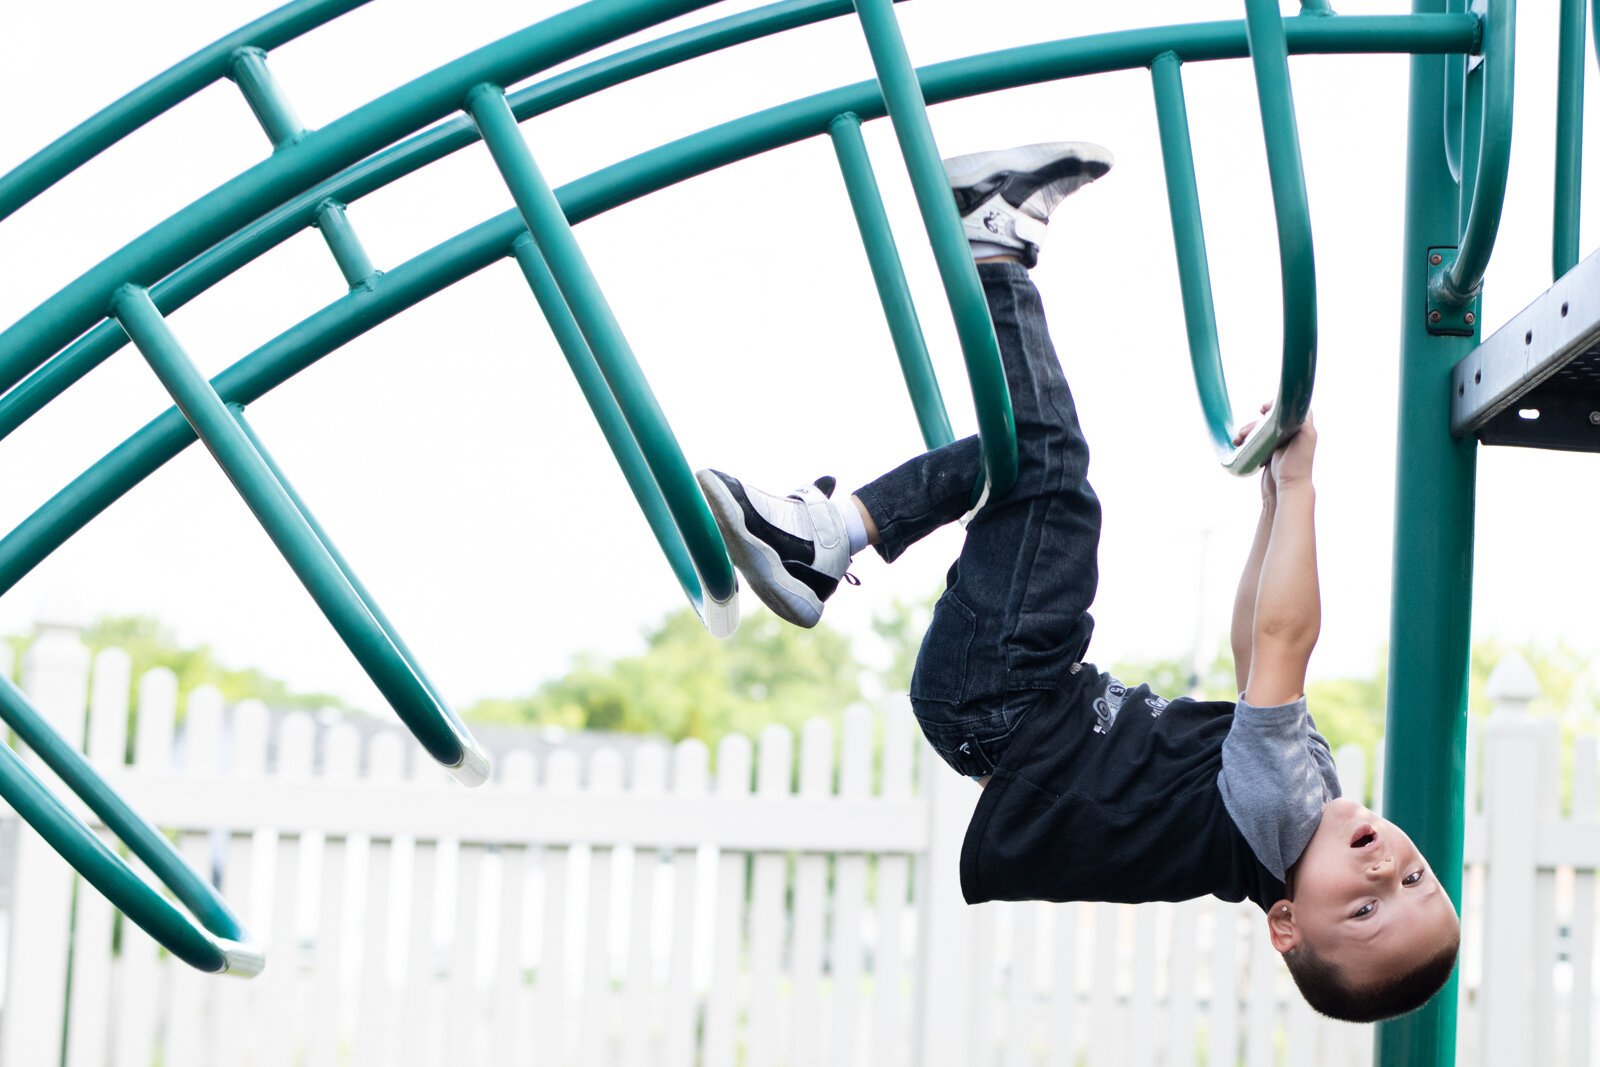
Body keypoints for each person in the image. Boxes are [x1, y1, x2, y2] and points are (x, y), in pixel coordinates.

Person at [695, 142, 1460, 1022]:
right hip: (1001, 708)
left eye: (1365, 908)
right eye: (1414, 875)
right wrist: (1267, 514)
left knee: (1052, 474)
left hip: (1010, 700)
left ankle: (992, 245)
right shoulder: (1286, 809)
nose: (1383, 869)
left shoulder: (1281, 813)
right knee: (1021, 460)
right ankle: (823, 536)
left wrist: (1299, 485)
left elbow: (1286, 641)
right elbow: (1252, 647)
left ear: (1285, 923)